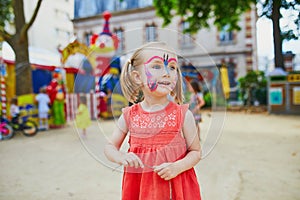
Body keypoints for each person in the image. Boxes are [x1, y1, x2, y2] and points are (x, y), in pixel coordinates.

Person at [104, 42, 202, 200]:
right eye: (157, 66)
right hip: (142, 191)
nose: (167, 73)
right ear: (137, 77)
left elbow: (196, 152)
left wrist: (177, 167)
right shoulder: (129, 116)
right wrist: (121, 157)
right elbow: (110, 147)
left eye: (172, 67)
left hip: (175, 189)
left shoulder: (183, 115)